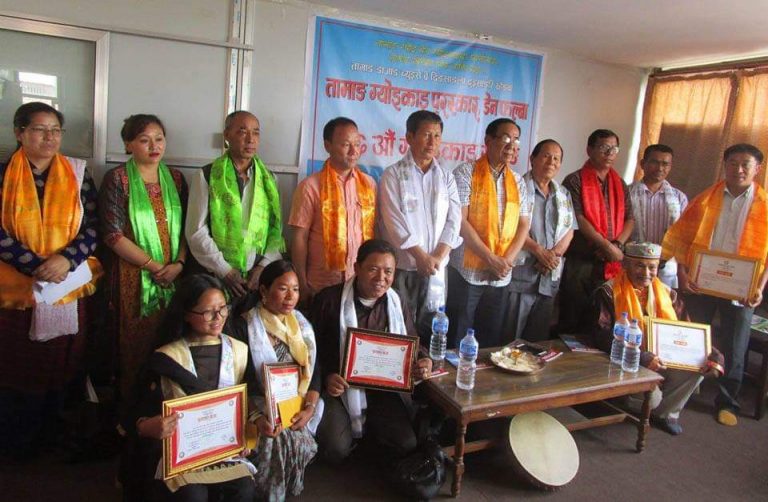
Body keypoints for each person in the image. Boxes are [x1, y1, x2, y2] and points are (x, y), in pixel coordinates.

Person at [0, 102, 102, 456]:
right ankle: (17, 441)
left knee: (62, 360)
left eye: (56, 130)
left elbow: (92, 227)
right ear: (19, 133)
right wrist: (34, 265)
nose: (50, 137)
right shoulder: (3, 174)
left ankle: (55, 433)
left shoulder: (77, 173)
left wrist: (66, 260)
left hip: (66, 283)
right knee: (17, 363)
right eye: (40, 130)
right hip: (15, 289)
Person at [119, 275, 255, 501]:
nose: (218, 317)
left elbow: (248, 403)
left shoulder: (239, 351)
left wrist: (246, 436)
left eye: (223, 308)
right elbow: (133, 410)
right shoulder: (167, 357)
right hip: (179, 452)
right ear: (186, 314)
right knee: (192, 495)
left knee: (243, 488)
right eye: (208, 312)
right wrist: (147, 426)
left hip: (223, 448)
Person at [663, 143, 768, 427]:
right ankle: (683, 391)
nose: (739, 169)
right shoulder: (705, 200)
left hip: (741, 289)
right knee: (692, 338)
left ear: (757, 169)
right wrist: (683, 274)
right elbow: (683, 240)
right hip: (701, 283)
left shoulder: (765, 206)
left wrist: (758, 287)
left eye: (746, 164)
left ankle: (727, 401)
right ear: (725, 165)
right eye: (733, 163)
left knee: (735, 345)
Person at [310, 239, 432, 464]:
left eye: (388, 272)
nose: (381, 278)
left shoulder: (396, 302)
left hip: (382, 388)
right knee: (336, 449)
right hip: (339, 389)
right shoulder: (329, 300)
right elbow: (309, 352)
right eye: (373, 269)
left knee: (406, 444)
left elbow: (412, 341)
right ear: (357, 268)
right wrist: (327, 377)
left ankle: (370, 439)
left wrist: (424, 361)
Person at [590, 242, 724, 435]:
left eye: (652, 267)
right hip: (627, 361)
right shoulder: (608, 292)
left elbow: (688, 331)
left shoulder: (669, 294)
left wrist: (713, 355)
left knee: (699, 367)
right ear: (625, 265)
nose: (646, 273)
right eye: (639, 265)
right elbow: (601, 337)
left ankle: (664, 414)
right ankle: (633, 405)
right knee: (653, 400)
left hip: (663, 359)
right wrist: (642, 357)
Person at [99, 114, 188, 401]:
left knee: (171, 343)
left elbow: (188, 229)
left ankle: (167, 407)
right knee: (133, 348)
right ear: (128, 145)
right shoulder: (118, 179)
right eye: (144, 140)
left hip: (173, 276)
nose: (154, 146)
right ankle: (131, 410)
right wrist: (155, 267)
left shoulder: (176, 178)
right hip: (132, 278)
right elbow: (113, 235)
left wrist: (179, 265)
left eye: (159, 139)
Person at [230, 261, 321, 501]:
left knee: (293, 435)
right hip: (255, 403)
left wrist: (309, 409)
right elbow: (237, 382)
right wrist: (258, 417)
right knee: (276, 438)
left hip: (296, 402)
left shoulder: (302, 325)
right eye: (282, 288)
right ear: (263, 290)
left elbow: (315, 373)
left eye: (296, 289)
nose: (291, 297)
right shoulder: (244, 326)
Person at [377, 110, 462, 343]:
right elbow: (393, 222)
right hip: (404, 267)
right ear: (410, 137)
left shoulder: (446, 177)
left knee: (432, 327)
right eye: (426, 135)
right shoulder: (393, 175)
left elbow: (454, 220)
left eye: (437, 136)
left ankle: (427, 365)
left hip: (437, 268)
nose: (432, 142)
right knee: (399, 325)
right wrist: (421, 257)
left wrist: (437, 257)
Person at [445, 118, 531, 348]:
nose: (511, 145)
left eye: (516, 140)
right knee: (458, 336)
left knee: (490, 341)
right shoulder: (466, 172)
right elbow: (460, 221)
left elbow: (523, 225)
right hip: (467, 273)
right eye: (506, 138)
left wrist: (505, 262)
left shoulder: (518, 181)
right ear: (488, 141)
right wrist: (491, 259)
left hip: (501, 275)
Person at [186, 110, 284, 299]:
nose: (250, 139)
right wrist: (225, 271)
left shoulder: (269, 180)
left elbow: (276, 231)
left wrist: (262, 267)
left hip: (255, 278)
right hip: (214, 277)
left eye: (256, 132)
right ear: (227, 135)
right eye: (242, 131)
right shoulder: (207, 175)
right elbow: (196, 231)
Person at [289, 117, 376, 305]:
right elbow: (299, 238)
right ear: (327, 146)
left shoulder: (369, 185)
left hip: (358, 284)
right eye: (346, 145)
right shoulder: (310, 186)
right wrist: (301, 283)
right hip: (321, 285)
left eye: (357, 144)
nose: (353, 151)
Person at [560, 129, 634, 332]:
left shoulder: (620, 183)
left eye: (614, 149)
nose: (610, 153)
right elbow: (577, 218)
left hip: (611, 262)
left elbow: (630, 218)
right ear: (589, 150)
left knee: (602, 318)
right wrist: (605, 246)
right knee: (573, 315)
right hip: (581, 260)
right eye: (604, 148)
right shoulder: (574, 180)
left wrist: (617, 245)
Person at [504, 139, 575, 342]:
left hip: (548, 275)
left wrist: (551, 256)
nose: (551, 162)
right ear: (532, 159)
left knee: (538, 342)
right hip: (521, 275)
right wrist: (539, 251)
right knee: (510, 339)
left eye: (556, 158)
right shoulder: (515, 187)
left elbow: (570, 230)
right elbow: (510, 226)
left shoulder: (563, 194)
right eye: (546, 156)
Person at [629, 144, 688, 287]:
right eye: (654, 162)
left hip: (666, 268)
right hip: (633, 265)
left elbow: (684, 238)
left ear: (670, 167)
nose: (660, 168)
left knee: (661, 301)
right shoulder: (627, 193)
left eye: (665, 164)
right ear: (643, 164)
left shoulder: (679, 198)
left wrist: (682, 272)